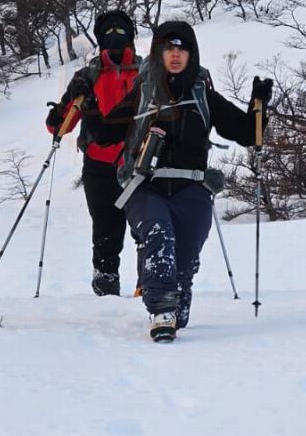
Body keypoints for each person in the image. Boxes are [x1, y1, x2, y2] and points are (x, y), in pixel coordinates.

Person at [111, 20, 273, 343]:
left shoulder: (203, 95)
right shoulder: (143, 91)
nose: (175, 54)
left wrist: (258, 106)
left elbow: (245, 133)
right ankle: (161, 310)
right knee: (159, 233)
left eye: (181, 48)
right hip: (146, 186)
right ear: (158, 52)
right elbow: (106, 129)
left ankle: (175, 306)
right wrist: (83, 113)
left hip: (191, 187)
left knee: (183, 260)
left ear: (191, 54)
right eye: (168, 48)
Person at [45, 10, 142, 296]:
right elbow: (59, 127)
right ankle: (105, 287)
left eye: (121, 31)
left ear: (130, 36)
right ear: (100, 39)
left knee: (146, 227)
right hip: (100, 165)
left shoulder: (147, 71)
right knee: (106, 231)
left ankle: (148, 286)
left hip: (141, 162)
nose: (115, 36)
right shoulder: (86, 75)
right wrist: (68, 103)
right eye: (108, 32)